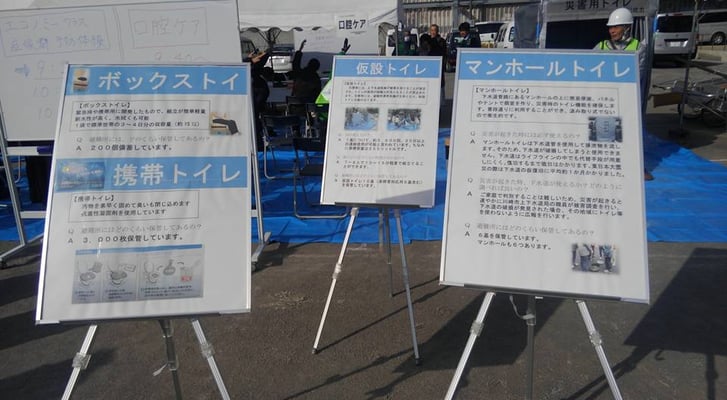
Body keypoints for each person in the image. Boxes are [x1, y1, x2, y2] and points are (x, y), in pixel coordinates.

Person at [593, 7, 654, 181]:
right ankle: (602, 168)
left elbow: (638, 74)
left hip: (626, 98)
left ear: (627, 27)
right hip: (605, 98)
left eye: (616, 27)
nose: (612, 31)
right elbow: (589, 68)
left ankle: (637, 166)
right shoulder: (601, 46)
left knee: (630, 134)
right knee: (603, 132)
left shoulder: (638, 48)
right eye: (610, 27)